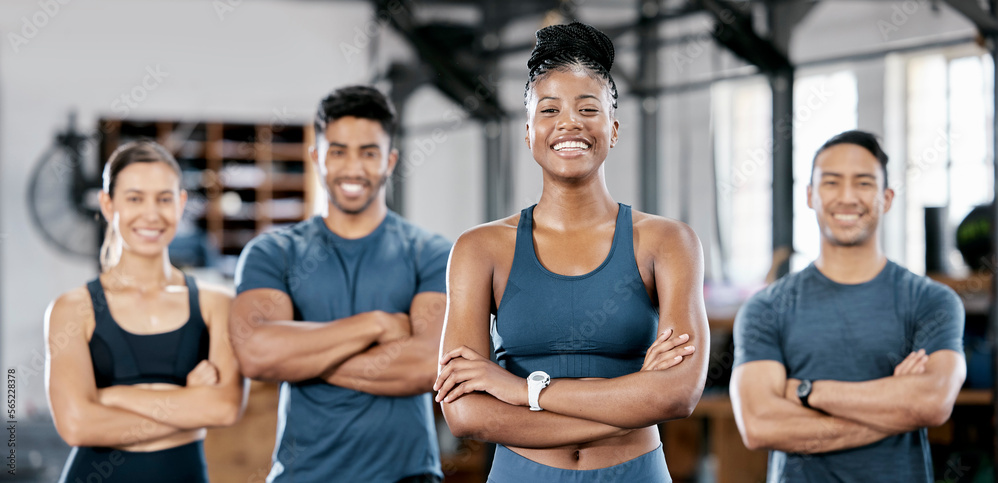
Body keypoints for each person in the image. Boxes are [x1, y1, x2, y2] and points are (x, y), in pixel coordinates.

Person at [434, 22, 709, 482]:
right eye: (549, 110)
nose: (569, 123)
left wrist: (522, 390)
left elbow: (679, 394)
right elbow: (465, 414)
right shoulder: (479, 249)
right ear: (528, 132)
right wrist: (635, 399)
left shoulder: (667, 242)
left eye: (588, 108)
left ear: (613, 129)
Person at [230, 85, 451, 483]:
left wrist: (303, 358)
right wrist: (377, 325)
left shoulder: (431, 253)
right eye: (338, 151)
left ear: (390, 160)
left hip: (408, 476)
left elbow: (428, 366)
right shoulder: (273, 252)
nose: (353, 168)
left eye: (369, 152)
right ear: (317, 157)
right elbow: (257, 355)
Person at [730, 130, 966, 482]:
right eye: (831, 182)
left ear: (886, 198)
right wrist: (897, 406)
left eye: (864, 183)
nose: (847, 197)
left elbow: (932, 403)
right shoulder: (766, 308)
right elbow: (760, 424)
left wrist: (806, 392)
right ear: (810, 195)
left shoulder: (932, 301)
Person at [45, 140, 247, 483]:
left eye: (164, 198)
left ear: (181, 204)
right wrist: (188, 406)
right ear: (108, 205)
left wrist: (111, 398)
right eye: (135, 198)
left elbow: (224, 408)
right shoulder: (73, 309)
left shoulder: (218, 304)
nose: (151, 214)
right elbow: (78, 426)